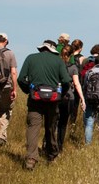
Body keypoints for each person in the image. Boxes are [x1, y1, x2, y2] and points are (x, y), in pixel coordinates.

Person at [17, 40, 71, 170]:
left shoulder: (31, 58)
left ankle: (31, 158)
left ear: (42, 48)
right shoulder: (58, 61)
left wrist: (28, 91)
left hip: (35, 99)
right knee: (51, 127)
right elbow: (66, 81)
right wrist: (60, 95)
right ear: (53, 50)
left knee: (33, 127)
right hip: (53, 100)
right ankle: (52, 155)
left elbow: (20, 79)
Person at [57, 45, 85, 151]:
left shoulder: (57, 66)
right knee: (63, 124)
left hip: (56, 96)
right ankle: (59, 146)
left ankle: (50, 143)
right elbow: (77, 84)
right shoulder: (73, 67)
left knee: (54, 122)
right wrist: (82, 98)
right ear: (71, 55)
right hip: (68, 97)